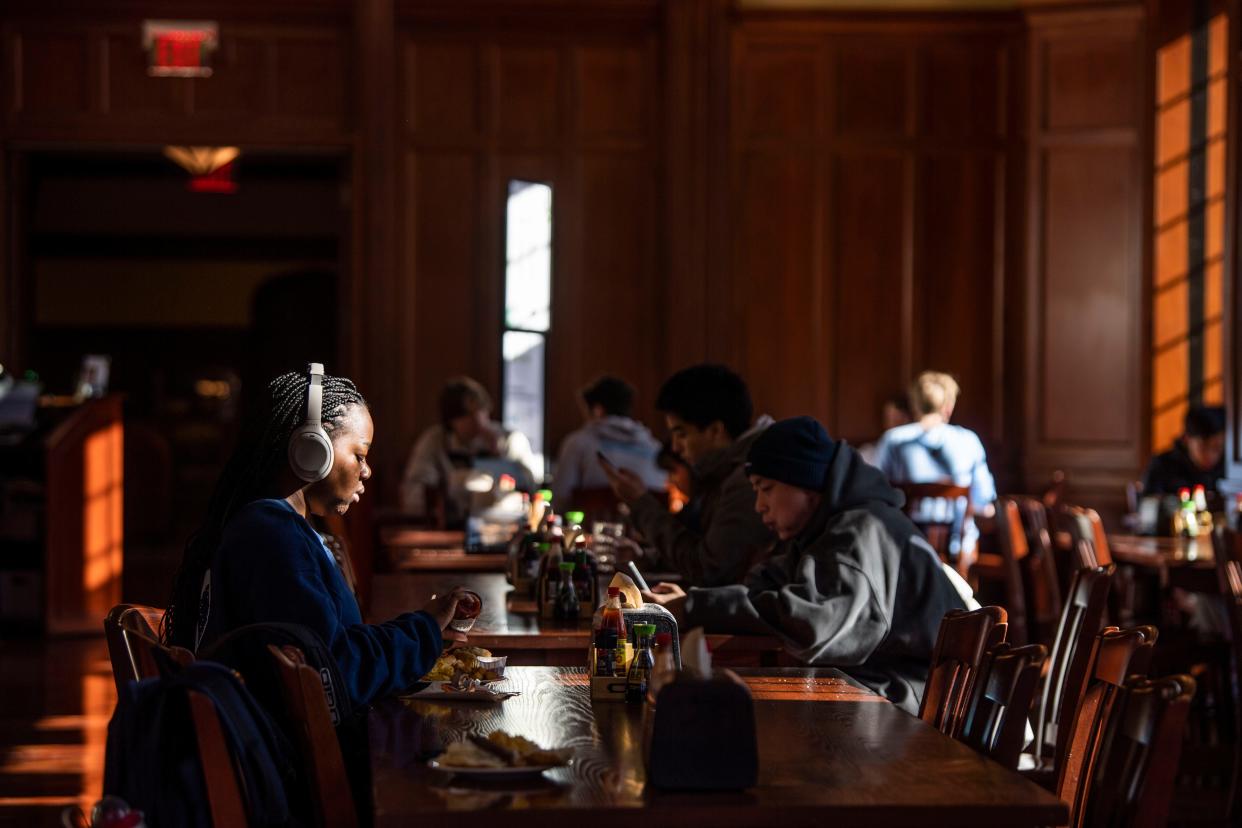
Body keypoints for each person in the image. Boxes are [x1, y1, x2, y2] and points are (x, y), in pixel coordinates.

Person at [164, 365, 468, 707]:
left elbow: (337, 647)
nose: (366, 470)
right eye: (359, 454)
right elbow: (339, 671)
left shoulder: (273, 526)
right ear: (313, 449)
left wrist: (422, 629)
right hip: (295, 755)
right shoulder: (271, 537)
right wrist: (422, 630)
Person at [643, 416, 968, 713]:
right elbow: (766, 582)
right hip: (889, 686)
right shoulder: (823, 531)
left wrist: (695, 606)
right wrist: (693, 599)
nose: (759, 506)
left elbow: (813, 624)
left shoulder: (859, 530)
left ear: (807, 485)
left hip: (916, 701)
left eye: (766, 489)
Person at [601, 363, 773, 587]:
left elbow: (708, 569)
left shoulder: (748, 478)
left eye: (681, 434)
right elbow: (698, 548)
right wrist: (648, 560)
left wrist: (640, 503)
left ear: (715, 431)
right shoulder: (722, 470)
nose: (675, 447)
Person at [872, 371, 996, 557]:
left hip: (902, 553)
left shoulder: (892, 440)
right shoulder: (968, 441)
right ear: (948, 407)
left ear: (915, 405)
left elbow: (874, 495)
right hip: (956, 558)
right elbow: (984, 505)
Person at [400, 377, 537, 527]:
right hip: (447, 527)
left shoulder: (510, 440)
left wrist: (498, 457)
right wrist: (447, 492)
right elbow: (414, 493)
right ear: (451, 420)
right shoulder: (434, 442)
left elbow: (530, 486)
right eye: (467, 415)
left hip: (502, 527)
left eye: (481, 410)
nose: (477, 420)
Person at [551, 375, 665, 507]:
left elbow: (560, 499)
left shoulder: (577, 443)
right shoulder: (655, 447)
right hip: (646, 526)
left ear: (598, 410)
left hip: (590, 525)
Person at [1142, 405, 1226, 496]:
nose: (1211, 455)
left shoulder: (1228, 468)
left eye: (1217, 447)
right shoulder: (1164, 465)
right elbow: (1147, 505)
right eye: (1203, 447)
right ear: (1186, 439)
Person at [858, 394, 912, 467]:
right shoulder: (868, 453)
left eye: (897, 419)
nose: (892, 424)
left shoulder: (917, 455)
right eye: (889, 418)